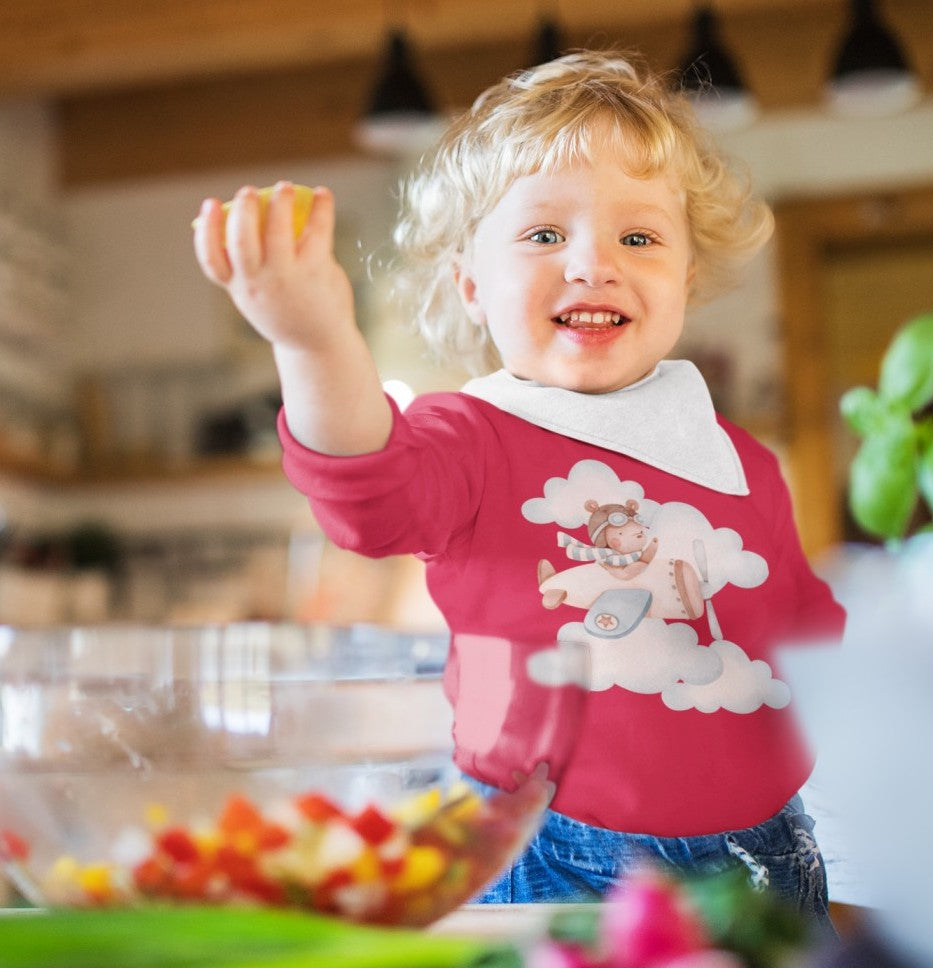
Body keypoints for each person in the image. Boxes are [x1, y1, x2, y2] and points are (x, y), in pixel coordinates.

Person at [193, 50, 846, 925]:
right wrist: (313, 343)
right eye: (543, 235)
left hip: (765, 851)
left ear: (685, 279)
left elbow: (808, 634)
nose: (591, 263)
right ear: (470, 283)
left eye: (639, 237)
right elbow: (365, 492)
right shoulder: (470, 436)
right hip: (547, 847)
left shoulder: (741, 459)